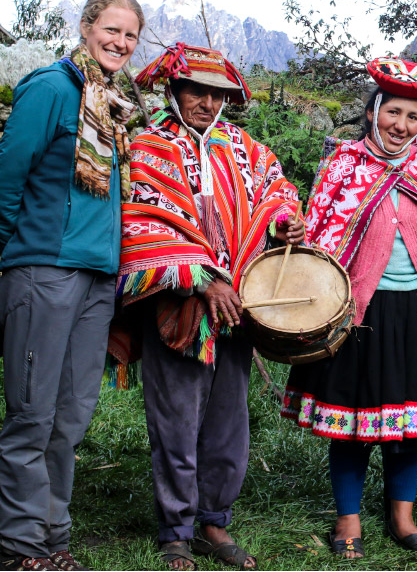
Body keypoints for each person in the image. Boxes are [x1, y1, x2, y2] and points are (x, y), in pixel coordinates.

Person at [282, 57, 417, 558]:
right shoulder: (342, 166)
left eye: (413, 117)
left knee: (410, 424)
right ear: (374, 112)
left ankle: (402, 516)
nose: (402, 126)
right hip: (358, 312)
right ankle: (348, 519)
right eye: (394, 113)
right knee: (353, 424)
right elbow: (320, 236)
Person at [118, 43, 304, 570]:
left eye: (216, 93)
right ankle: (176, 529)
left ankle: (214, 522)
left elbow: (276, 192)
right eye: (195, 90)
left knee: (228, 421)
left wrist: (287, 218)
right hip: (180, 310)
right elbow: (142, 223)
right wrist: (201, 279)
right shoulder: (149, 148)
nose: (205, 101)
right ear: (174, 91)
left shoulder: (244, 147)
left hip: (237, 311)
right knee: (176, 422)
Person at [0, 0, 143, 572]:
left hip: (98, 280)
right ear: (86, 25)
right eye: (112, 29)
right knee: (32, 414)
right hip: (46, 274)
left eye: (130, 35)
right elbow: (1, 178)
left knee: (71, 417)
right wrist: (25, 251)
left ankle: (53, 538)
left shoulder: (115, 106)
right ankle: (21, 547)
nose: (120, 43)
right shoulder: (52, 88)